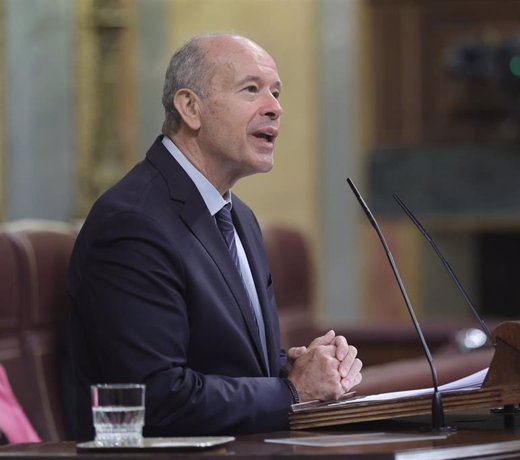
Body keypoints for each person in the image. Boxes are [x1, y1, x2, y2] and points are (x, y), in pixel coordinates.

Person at [64, 33, 362, 440]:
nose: (275, 108)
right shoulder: (133, 223)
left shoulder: (239, 216)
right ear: (190, 107)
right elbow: (158, 398)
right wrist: (293, 390)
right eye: (252, 90)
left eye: (276, 93)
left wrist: (300, 367)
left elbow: (233, 363)